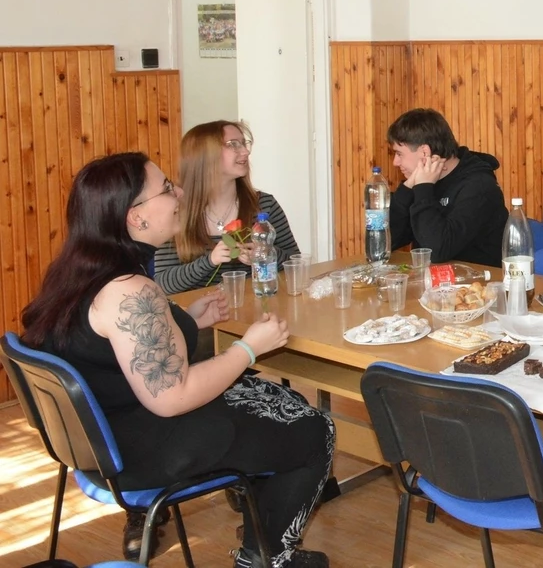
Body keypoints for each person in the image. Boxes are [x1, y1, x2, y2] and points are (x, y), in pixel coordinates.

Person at [21, 153, 335, 568]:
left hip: (105, 434)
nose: (180, 193)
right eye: (167, 188)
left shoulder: (77, 271)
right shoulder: (129, 289)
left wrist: (187, 320)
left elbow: (115, 347)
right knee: (315, 430)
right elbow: (172, 397)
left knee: (284, 401)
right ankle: (267, 558)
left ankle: (261, 536)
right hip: (143, 448)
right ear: (136, 217)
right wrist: (248, 349)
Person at [154, 120, 300, 295]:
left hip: (257, 309)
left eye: (244, 143)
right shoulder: (175, 212)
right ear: (205, 155)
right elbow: (162, 284)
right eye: (233, 144)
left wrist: (266, 254)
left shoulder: (265, 205)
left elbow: (295, 263)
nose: (245, 151)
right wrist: (209, 261)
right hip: (197, 312)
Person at [387, 108, 508, 266]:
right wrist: (407, 188)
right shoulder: (422, 182)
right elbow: (387, 242)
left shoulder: (479, 187)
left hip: (478, 279)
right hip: (432, 278)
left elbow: (437, 251)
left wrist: (423, 188)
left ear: (424, 152)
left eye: (399, 154)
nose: (395, 162)